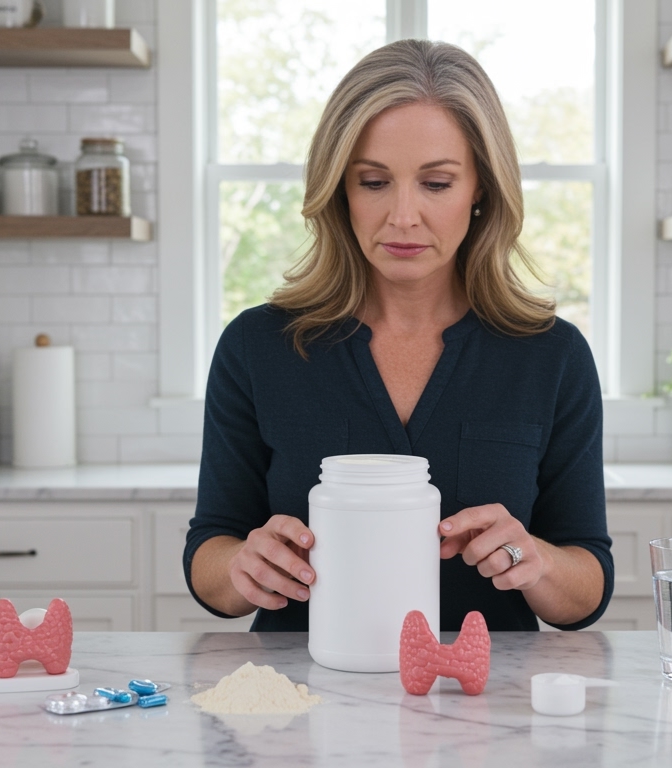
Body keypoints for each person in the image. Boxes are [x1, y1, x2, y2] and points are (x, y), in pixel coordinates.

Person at [184, 39, 612, 632]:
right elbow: (210, 554)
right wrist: (242, 565)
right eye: (374, 182)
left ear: (481, 187)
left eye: (436, 184)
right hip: (305, 700)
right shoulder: (258, 346)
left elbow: (586, 585)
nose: (404, 216)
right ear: (340, 189)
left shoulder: (552, 354)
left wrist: (534, 562)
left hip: (487, 708)